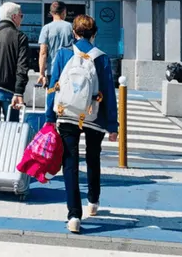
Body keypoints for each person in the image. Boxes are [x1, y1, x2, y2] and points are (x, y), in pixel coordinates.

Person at [46, 14, 118, 234]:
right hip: (93, 115)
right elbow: (109, 92)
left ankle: (74, 215)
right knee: (93, 157)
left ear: (74, 33)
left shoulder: (63, 54)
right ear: (94, 33)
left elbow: (53, 86)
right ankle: (93, 201)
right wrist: (113, 125)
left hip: (67, 113)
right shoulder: (102, 57)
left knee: (70, 162)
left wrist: (50, 117)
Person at [37, 1, 76, 87]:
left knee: (53, 96)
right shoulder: (71, 27)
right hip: (68, 69)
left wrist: (42, 74)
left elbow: (43, 53)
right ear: (64, 12)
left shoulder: (46, 28)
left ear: (51, 13)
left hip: (52, 70)